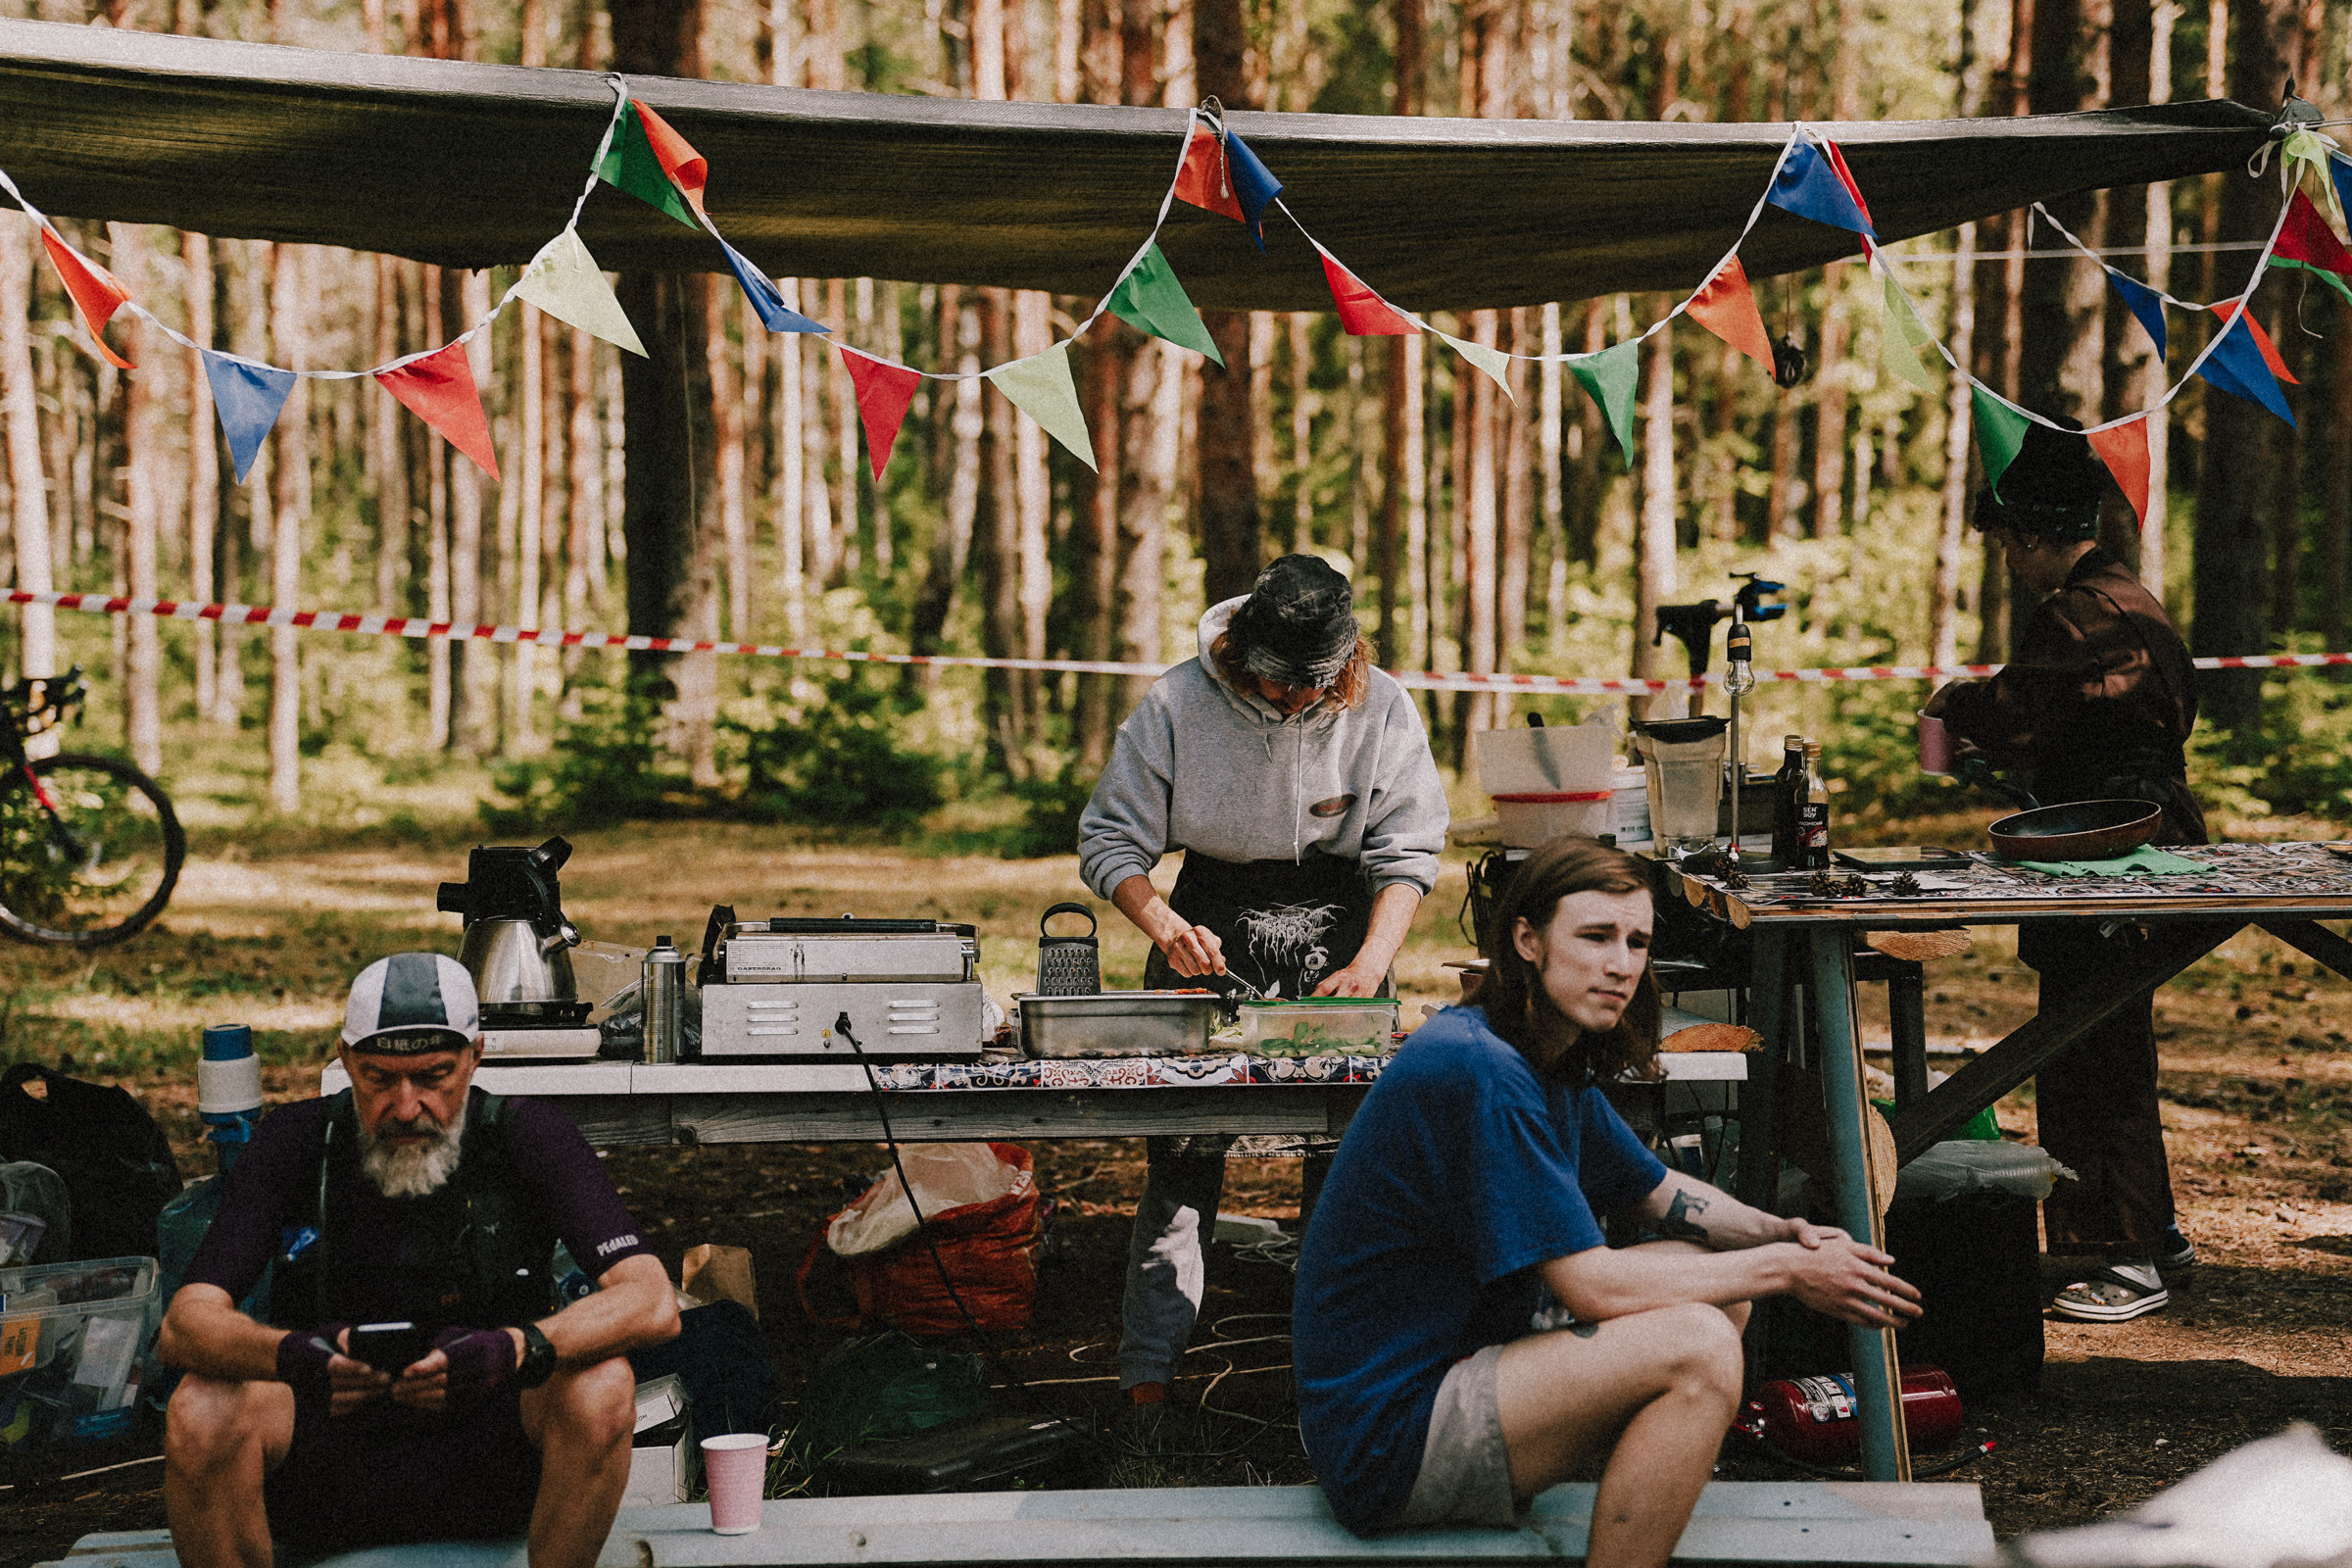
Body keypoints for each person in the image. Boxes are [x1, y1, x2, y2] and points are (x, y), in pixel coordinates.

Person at [1293, 839, 1921, 1567]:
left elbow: (1657, 1192)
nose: (1621, 964)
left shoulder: (1538, 1051)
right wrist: (1783, 1268)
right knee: (1700, 1345)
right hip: (1388, 1438)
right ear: (1527, 940)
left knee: (1716, 1290)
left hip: (1453, 1374)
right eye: (1594, 937)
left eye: (1637, 942)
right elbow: (1588, 1285)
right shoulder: (1482, 1069)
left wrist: (1783, 1232)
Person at [159, 953, 680, 1568]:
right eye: (379, 1078)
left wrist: (514, 1348)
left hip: (490, 1459)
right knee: (200, 1407)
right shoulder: (298, 1140)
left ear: (476, 1055)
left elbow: (651, 1299)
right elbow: (184, 1324)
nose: (407, 1107)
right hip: (325, 1462)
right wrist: (293, 1357)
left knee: (604, 1386)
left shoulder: (527, 1135)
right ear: (346, 1060)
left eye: (434, 1076)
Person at [1077, 553, 1449, 1407]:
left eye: (1314, 686)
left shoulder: (1383, 706)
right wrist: (1164, 927)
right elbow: (1111, 841)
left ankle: (1331, 1381)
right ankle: (1148, 1382)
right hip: (1207, 917)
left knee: (1342, 1162)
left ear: (1345, 665)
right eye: (1281, 685)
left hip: (1342, 932)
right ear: (1243, 658)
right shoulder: (1175, 704)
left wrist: (1372, 962)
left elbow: (1407, 851)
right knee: (1181, 1162)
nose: (1295, 701)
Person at [1925, 417, 2203, 1323]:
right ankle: (2149, 1233)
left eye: (2009, 544)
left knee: (2092, 1049)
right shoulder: (2129, 596)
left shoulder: (2078, 612)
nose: (2009, 562)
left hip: (2113, 847)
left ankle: (2124, 1255)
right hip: (2118, 837)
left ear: (2035, 535)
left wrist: (1951, 708)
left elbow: (2016, 707)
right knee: (2100, 1036)